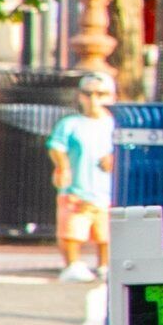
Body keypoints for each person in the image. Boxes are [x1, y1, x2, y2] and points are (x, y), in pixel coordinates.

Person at [48, 68, 117, 281]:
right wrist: (63, 166)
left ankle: (105, 264)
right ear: (80, 96)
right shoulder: (71, 124)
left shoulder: (115, 125)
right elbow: (56, 146)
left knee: (105, 232)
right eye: (88, 94)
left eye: (100, 94)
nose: (94, 99)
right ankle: (73, 263)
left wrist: (114, 159)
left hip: (105, 191)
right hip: (76, 189)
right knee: (72, 229)